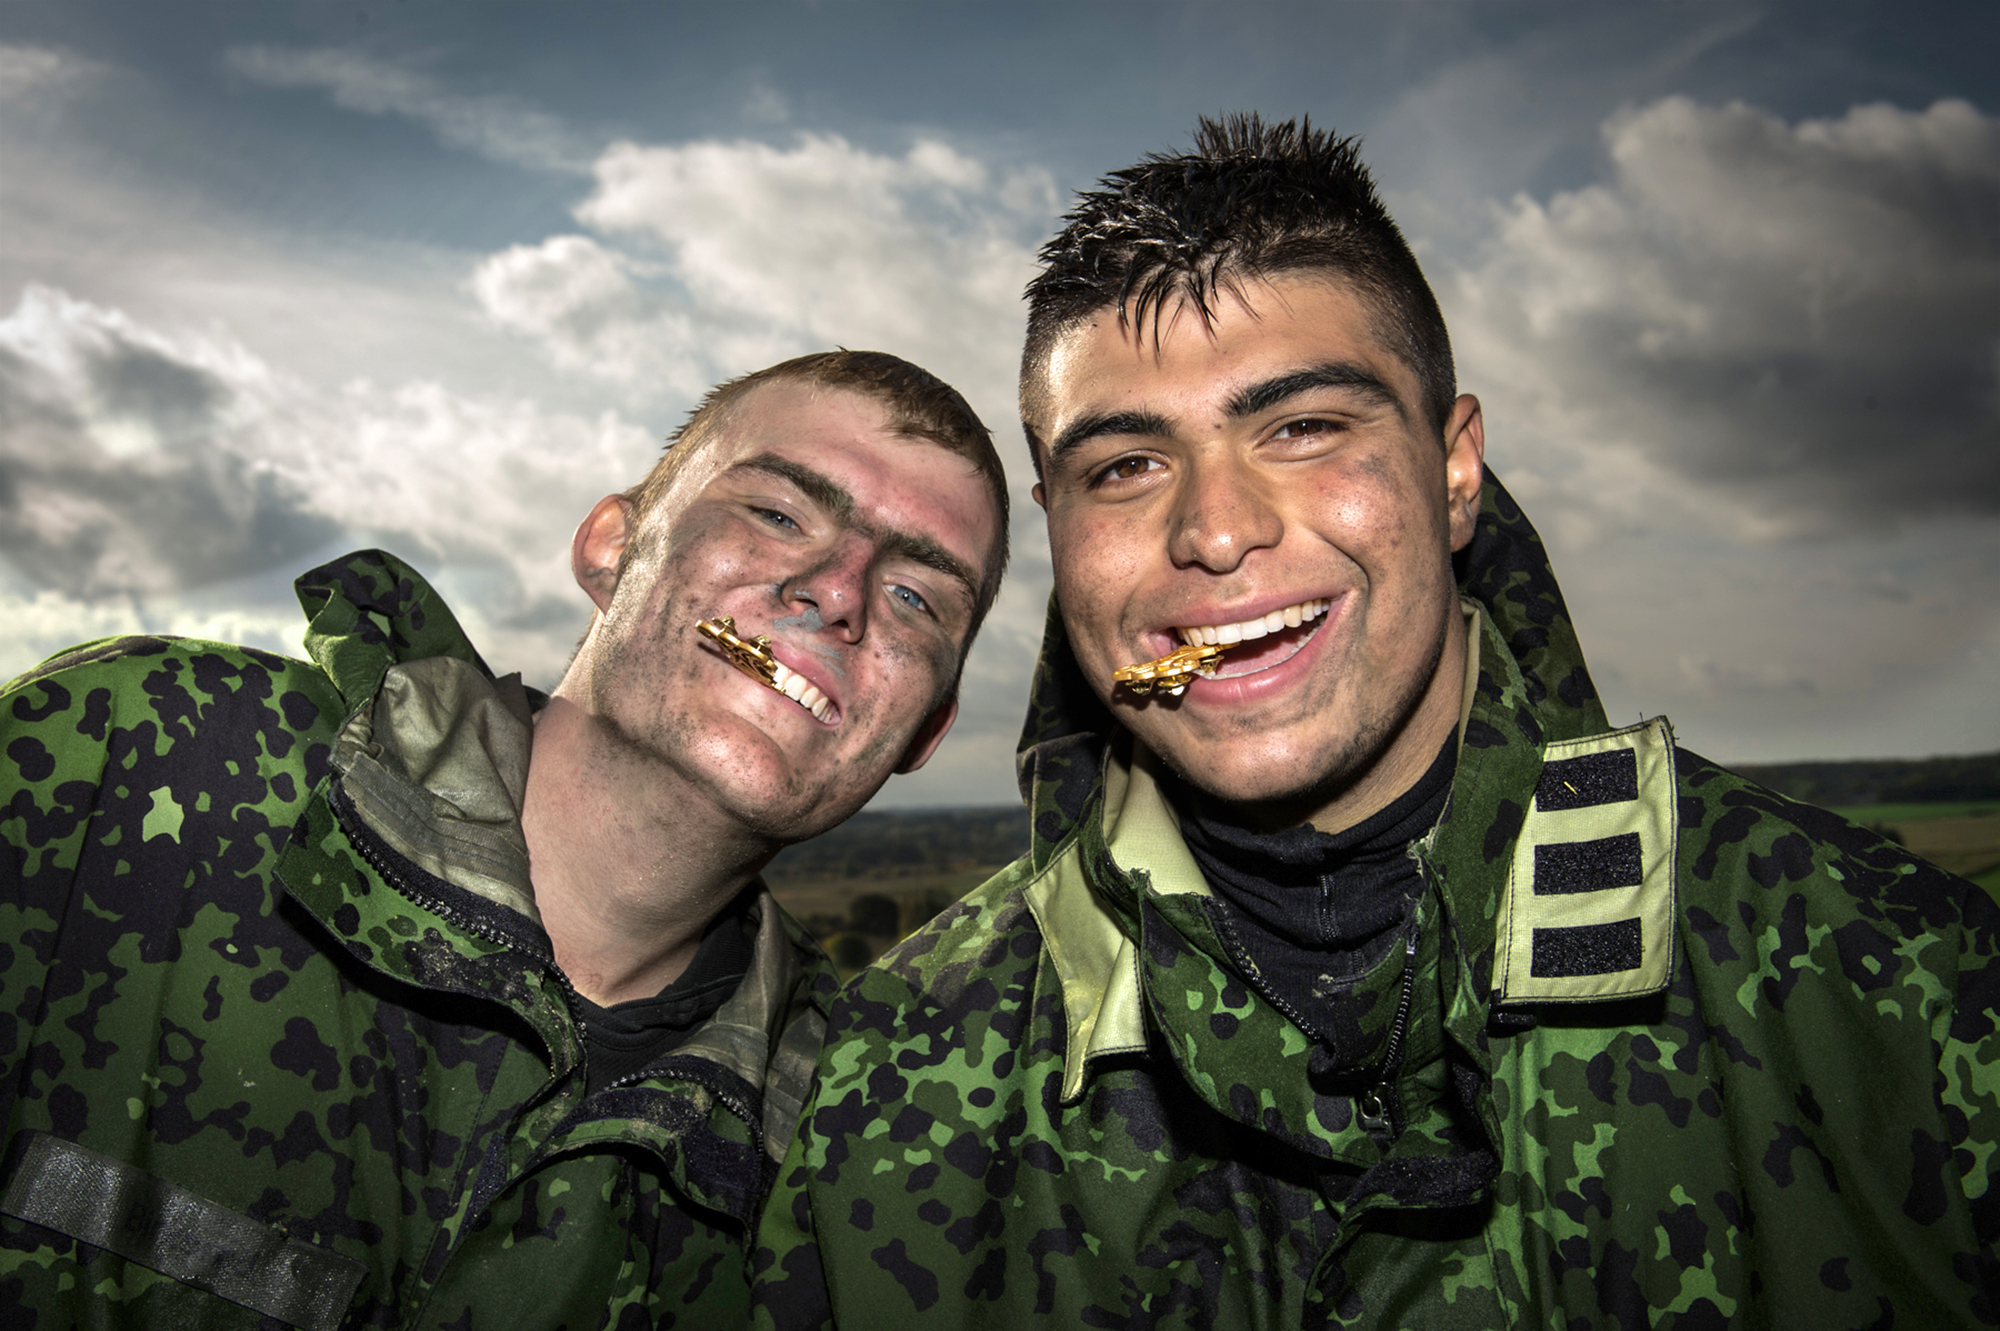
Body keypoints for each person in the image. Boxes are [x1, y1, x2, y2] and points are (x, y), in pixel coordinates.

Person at [753, 119, 2000, 1328]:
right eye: (1124, 465)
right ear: (1056, 523)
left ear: (1454, 469)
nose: (1216, 527)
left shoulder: (1891, 984)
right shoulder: (884, 1077)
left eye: (1300, 428)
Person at [0, 349, 1008, 1329]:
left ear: (924, 727)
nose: (839, 591)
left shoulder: (843, 1152)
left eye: (917, 596)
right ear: (610, 546)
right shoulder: (147, 756)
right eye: (777, 511)